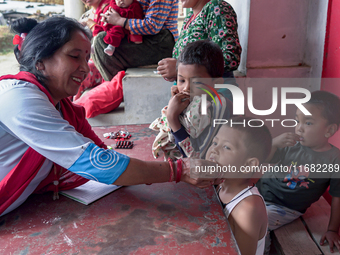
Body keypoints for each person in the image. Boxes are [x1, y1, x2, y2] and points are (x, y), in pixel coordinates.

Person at [0, 17, 218, 217]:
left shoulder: (61, 107)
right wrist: (179, 170)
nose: (85, 69)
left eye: (86, 58)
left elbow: (100, 152)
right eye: (75, 56)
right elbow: (94, 162)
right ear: (40, 61)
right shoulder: (19, 98)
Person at [256, 91, 340, 253]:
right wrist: (274, 143)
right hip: (258, 192)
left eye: (308, 123)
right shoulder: (292, 143)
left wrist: (332, 230)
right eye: (297, 121)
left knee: (256, 223)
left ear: (329, 130)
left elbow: (337, 198)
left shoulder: (334, 160)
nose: (299, 128)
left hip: (283, 207)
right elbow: (266, 157)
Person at [150, 40, 232, 160]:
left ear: (216, 84)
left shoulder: (218, 106)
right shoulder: (195, 102)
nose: (186, 88)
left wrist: (172, 118)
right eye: (182, 81)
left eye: (197, 82)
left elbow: (196, 157)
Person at [207, 116, 271, 255]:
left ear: (248, 165)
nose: (214, 150)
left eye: (226, 147)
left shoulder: (247, 209)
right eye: (214, 142)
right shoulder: (220, 184)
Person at [157, 0, 242, 85]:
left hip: (215, 92)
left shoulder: (216, 8)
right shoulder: (190, 17)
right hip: (193, 92)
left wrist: (178, 67)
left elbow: (230, 58)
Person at [91, 0, 179, 81]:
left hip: (161, 42)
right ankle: (117, 86)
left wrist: (119, 20)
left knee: (101, 42)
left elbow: (152, 26)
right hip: (142, 37)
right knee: (98, 40)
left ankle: (117, 88)